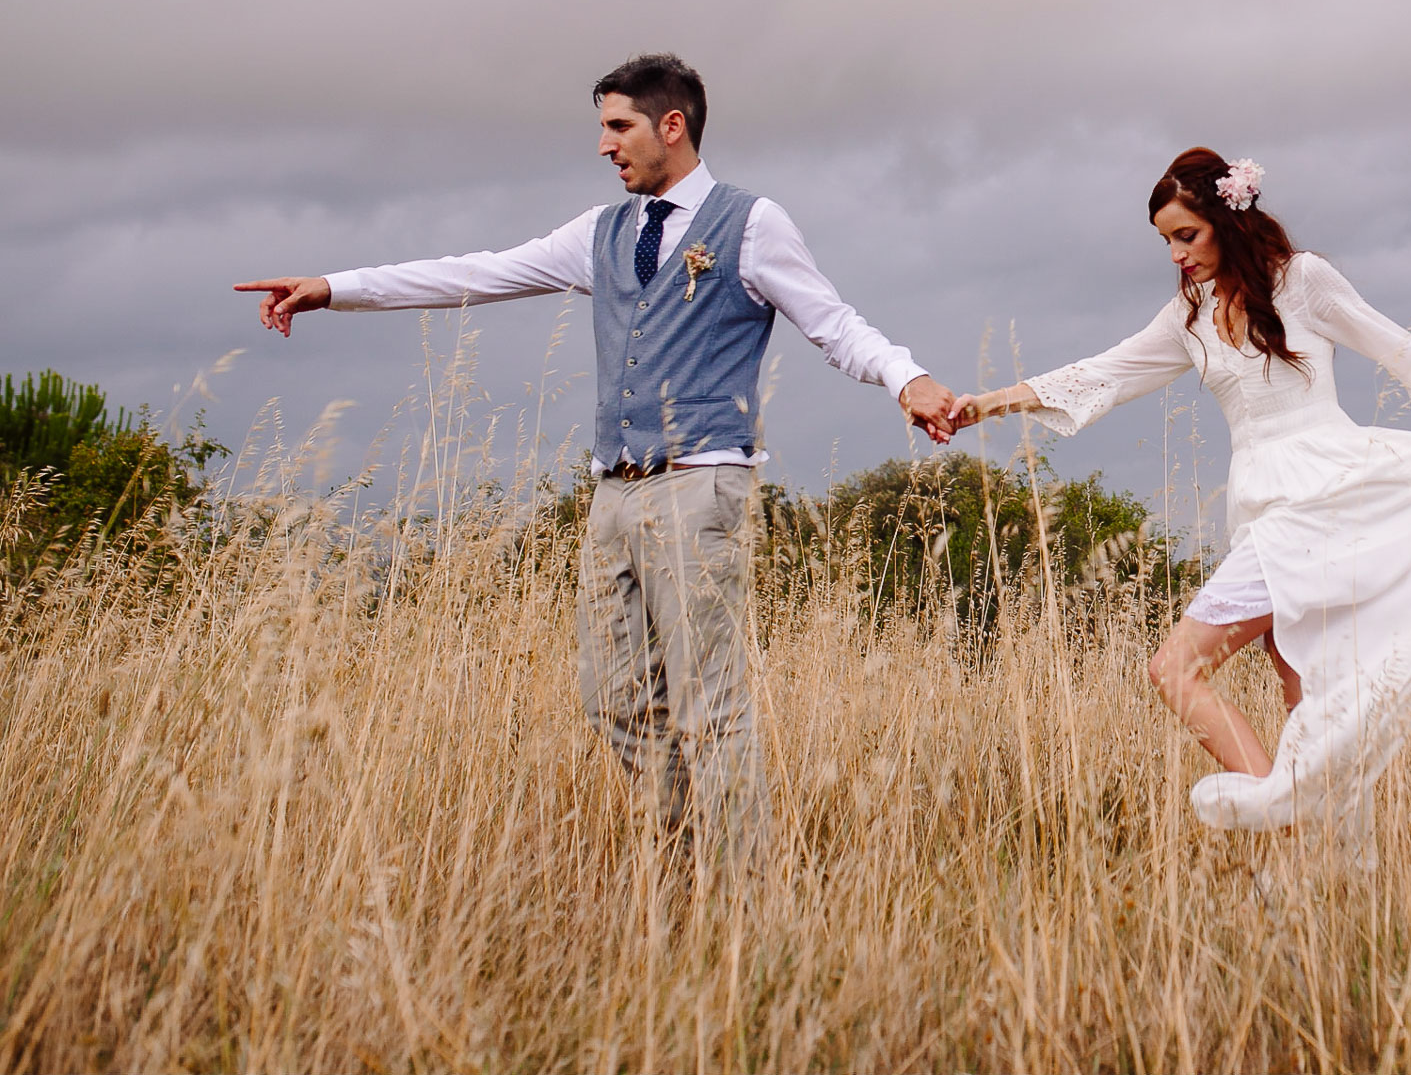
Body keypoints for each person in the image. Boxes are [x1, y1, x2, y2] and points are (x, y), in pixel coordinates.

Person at [236, 54, 959, 869]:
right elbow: (478, 272)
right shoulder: (602, 232)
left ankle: (745, 897)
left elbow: (834, 322)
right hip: (613, 492)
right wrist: (334, 286)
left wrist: (907, 377)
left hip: (702, 483)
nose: (606, 146)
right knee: (613, 698)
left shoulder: (750, 223)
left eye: (619, 127)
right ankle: (693, 860)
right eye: (604, 129)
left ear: (671, 126)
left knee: (709, 703)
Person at [948, 147, 1411, 848]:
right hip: (1261, 510)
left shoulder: (1301, 281)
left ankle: (1281, 817)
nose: (1177, 254)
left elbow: (1394, 346)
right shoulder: (1187, 315)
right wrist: (988, 404)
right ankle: (1330, 859)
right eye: (1166, 242)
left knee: (1175, 668)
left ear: (1225, 216)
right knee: (1301, 691)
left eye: (1186, 235)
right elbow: (1105, 371)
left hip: (1325, 493)